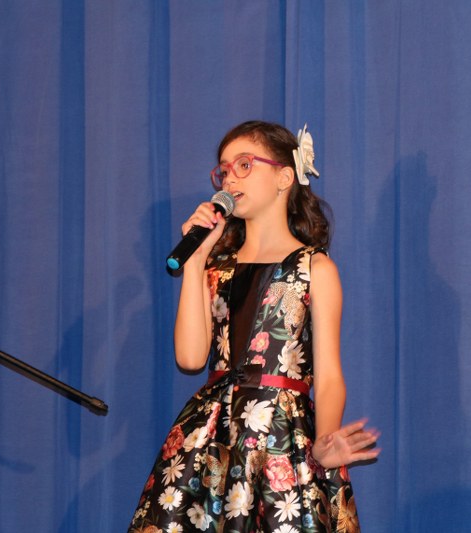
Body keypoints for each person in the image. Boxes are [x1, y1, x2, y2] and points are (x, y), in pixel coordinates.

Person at [129, 121, 379, 532]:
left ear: (284, 177)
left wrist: (325, 439)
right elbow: (190, 359)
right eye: (224, 170)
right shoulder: (215, 269)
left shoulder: (315, 268)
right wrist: (196, 261)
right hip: (214, 437)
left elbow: (329, 375)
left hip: (282, 436)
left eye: (244, 165)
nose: (230, 178)